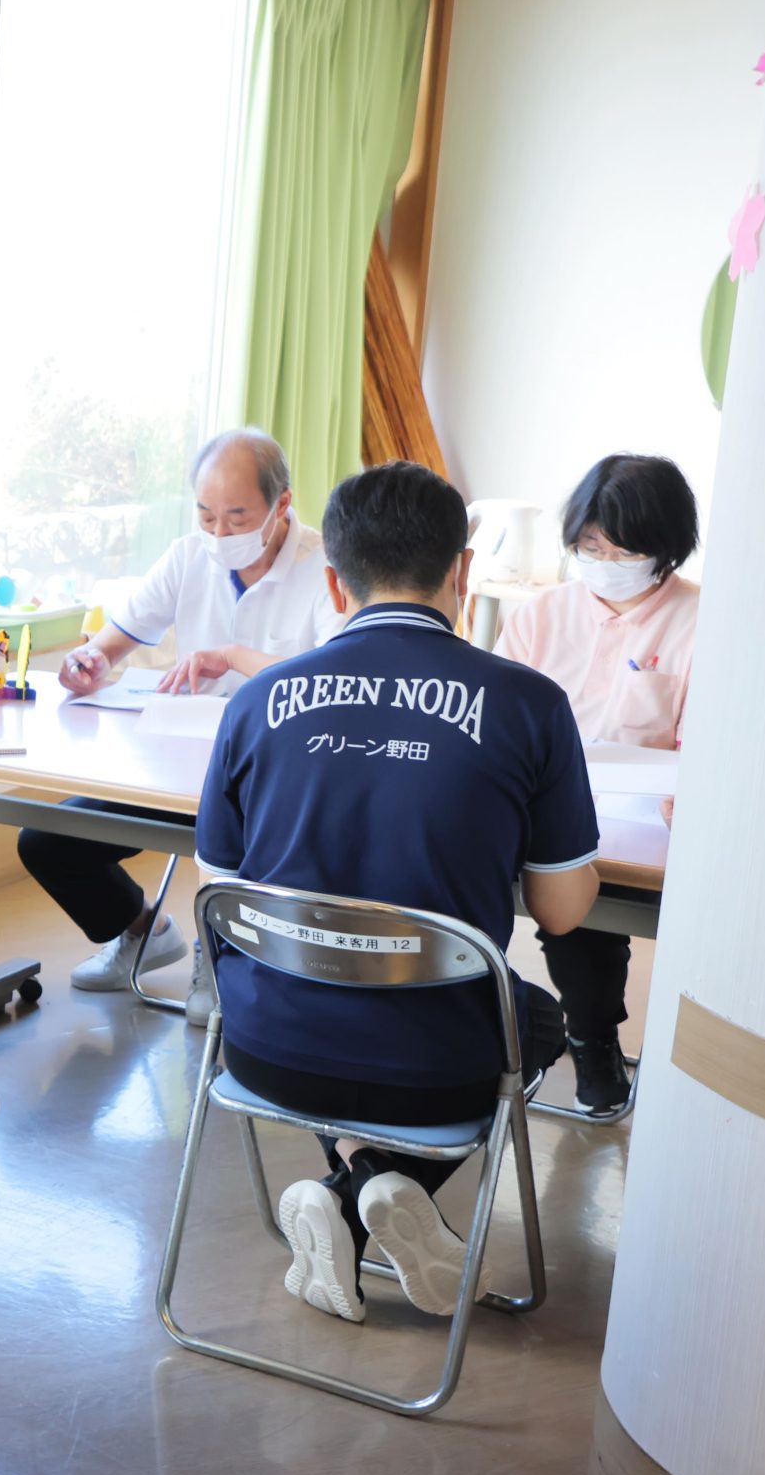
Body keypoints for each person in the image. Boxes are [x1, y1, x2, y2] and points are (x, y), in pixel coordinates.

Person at [194, 462, 598, 1324]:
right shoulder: (529, 705)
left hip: (262, 1050)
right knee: (540, 1019)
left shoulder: (258, 699)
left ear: (334, 579)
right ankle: (385, 1182)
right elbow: (562, 912)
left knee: (330, 985)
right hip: (433, 1076)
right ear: (462, 568)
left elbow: (218, 886)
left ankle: (348, 1195)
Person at [30, 428, 338, 1024]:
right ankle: (145, 933)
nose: (219, 534)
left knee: (232, 849)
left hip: (274, 783)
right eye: (206, 516)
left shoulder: (325, 566)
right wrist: (88, 663)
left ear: (281, 505)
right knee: (50, 840)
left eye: (236, 517)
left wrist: (232, 656)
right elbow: (111, 645)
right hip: (183, 768)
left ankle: (218, 955)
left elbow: (332, 675)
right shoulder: (187, 556)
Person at [491, 453, 699, 1112]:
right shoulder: (540, 615)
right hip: (540, 808)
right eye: (589, 545)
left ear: (665, 548)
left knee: (577, 899)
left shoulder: (702, 621)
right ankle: (486, 1031)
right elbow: (496, 725)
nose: (603, 559)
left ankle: (591, 1039)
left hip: (644, 826)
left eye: (622, 548)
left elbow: (701, 749)